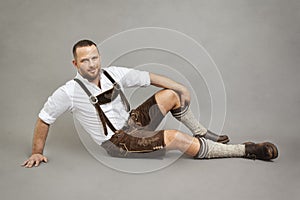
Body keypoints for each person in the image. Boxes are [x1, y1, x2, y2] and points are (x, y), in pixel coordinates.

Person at [22, 40, 278, 168]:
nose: (92, 64)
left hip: (133, 122)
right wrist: (36, 150)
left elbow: (150, 78)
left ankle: (200, 132)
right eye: (85, 61)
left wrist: (180, 87)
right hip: (118, 141)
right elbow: (44, 118)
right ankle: (244, 150)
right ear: (75, 64)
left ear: (100, 57)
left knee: (170, 94)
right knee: (176, 137)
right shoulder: (68, 92)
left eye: (95, 57)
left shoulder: (112, 73)